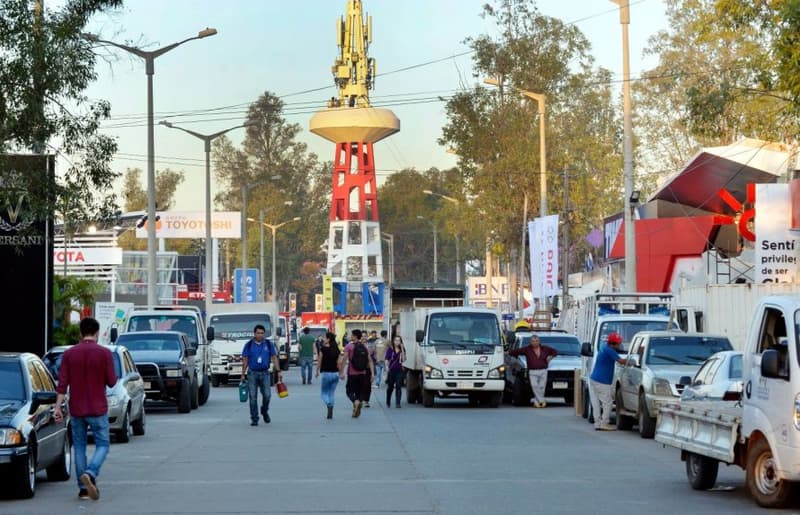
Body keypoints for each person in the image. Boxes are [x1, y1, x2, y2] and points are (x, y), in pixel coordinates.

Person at [54, 317, 116, 501]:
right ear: (97, 333)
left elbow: (62, 384)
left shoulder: (69, 354)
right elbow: (112, 382)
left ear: (81, 333)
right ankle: (91, 472)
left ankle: (83, 490)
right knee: (103, 445)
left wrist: (58, 407)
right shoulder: (104, 354)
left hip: (77, 408)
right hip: (98, 408)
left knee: (79, 447)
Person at [241, 324, 282, 426]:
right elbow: (245, 360)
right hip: (252, 374)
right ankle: (254, 418)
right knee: (253, 397)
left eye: (262, 333)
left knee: (267, 395)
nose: (260, 335)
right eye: (258, 333)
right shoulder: (249, 345)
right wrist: (242, 373)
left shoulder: (268, 344)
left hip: (265, 373)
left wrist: (279, 371)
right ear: (254, 334)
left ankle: (264, 411)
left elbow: (274, 357)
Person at [589, 332, 627, 431]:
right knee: (608, 402)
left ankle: (597, 423)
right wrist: (631, 360)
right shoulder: (610, 350)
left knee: (596, 402)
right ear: (613, 344)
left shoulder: (604, 347)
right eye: (618, 344)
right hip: (602, 380)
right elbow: (621, 361)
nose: (619, 345)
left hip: (594, 378)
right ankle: (604, 423)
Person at [508, 333, 558, 408]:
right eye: (533, 341)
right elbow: (515, 352)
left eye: (536, 341)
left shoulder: (545, 348)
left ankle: (537, 403)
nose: (535, 342)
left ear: (539, 341)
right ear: (530, 342)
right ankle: (542, 401)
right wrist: (507, 352)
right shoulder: (527, 349)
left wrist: (550, 357)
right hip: (532, 371)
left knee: (541, 387)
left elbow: (555, 351)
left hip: (543, 370)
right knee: (534, 386)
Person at [342, 328, 375, 418]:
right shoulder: (364, 347)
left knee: (349, 391)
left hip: (352, 374)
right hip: (362, 373)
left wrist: (341, 372)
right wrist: (372, 374)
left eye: (351, 334)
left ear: (354, 336)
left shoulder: (349, 346)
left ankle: (355, 402)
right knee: (360, 392)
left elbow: (344, 359)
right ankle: (357, 406)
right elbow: (370, 361)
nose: (350, 336)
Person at [316, 331, 343, 419]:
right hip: (335, 374)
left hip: (326, 373)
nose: (323, 339)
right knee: (331, 393)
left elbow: (319, 361)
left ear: (328, 339)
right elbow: (339, 363)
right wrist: (341, 373)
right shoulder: (337, 350)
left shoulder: (323, 349)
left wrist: (317, 371)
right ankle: (331, 406)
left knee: (323, 393)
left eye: (325, 337)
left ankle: (329, 404)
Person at [385, 335, 405, 408]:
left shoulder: (402, 349)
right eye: (396, 340)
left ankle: (398, 403)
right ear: (393, 341)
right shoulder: (390, 349)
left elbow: (404, 359)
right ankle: (388, 400)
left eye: (399, 340)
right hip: (391, 370)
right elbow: (387, 359)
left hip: (399, 370)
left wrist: (402, 349)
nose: (397, 342)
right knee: (390, 387)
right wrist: (387, 367)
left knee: (398, 386)